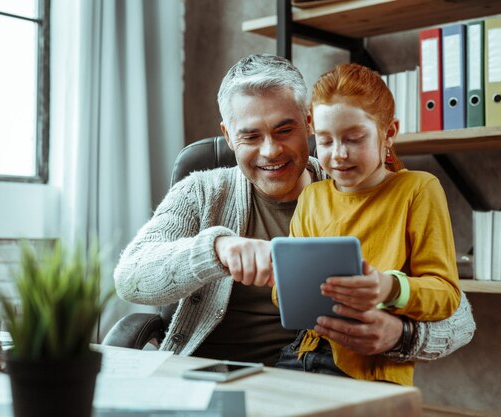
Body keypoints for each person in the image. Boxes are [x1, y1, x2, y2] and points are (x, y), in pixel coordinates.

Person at [113, 54, 475, 369]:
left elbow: (459, 318)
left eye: (284, 130)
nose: (270, 151)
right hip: (207, 374)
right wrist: (216, 250)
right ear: (227, 135)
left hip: (311, 377)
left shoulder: (364, 189)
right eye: (251, 136)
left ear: (308, 122)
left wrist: (401, 334)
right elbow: (130, 276)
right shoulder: (202, 191)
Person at [273, 63, 461, 385]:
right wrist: (288, 287)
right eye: (326, 141)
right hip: (302, 356)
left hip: (371, 369)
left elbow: (446, 294)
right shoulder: (312, 198)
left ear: (388, 134)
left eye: (354, 138)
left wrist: (388, 287)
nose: (338, 155)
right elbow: (281, 293)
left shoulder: (417, 190)